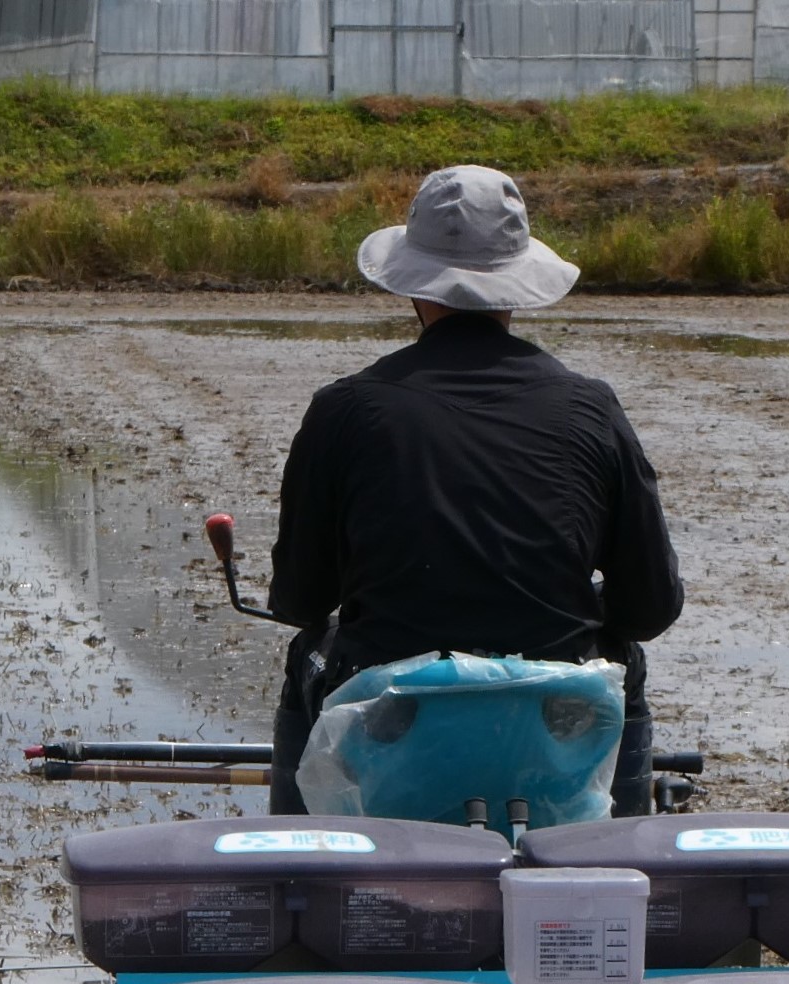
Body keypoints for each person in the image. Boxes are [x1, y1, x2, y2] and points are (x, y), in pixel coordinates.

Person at [264, 164, 682, 817]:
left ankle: (301, 875)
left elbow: (300, 600)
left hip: (388, 701)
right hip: (553, 705)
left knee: (307, 653)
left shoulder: (344, 411)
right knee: (622, 656)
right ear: (516, 287)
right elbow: (651, 609)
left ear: (413, 287)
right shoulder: (591, 410)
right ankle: (617, 853)